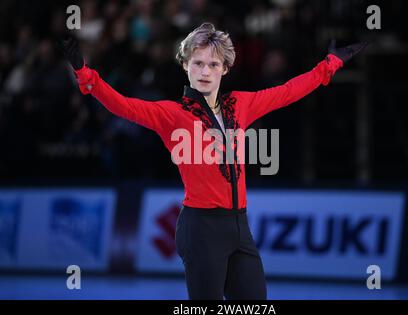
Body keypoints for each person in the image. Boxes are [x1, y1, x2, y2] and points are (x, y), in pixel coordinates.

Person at [60, 22, 367, 300]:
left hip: (239, 227)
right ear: (185, 66)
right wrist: (86, 75)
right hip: (201, 228)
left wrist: (330, 64)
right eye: (198, 64)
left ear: (225, 68)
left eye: (213, 64)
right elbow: (123, 106)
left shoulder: (241, 104)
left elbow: (288, 91)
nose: (205, 71)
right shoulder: (172, 114)